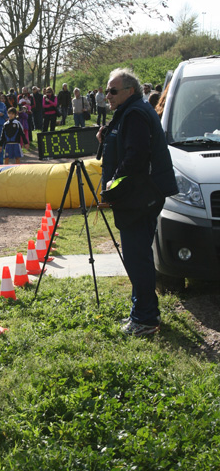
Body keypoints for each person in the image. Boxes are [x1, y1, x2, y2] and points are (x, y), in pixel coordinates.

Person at [98, 69, 177, 336]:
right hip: (139, 196)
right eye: (107, 90)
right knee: (136, 257)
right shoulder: (130, 112)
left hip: (141, 198)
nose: (107, 95)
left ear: (129, 91)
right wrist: (108, 136)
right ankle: (141, 313)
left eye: (112, 91)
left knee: (137, 259)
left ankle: (145, 319)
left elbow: (136, 157)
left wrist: (112, 185)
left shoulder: (135, 113)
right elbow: (127, 144)